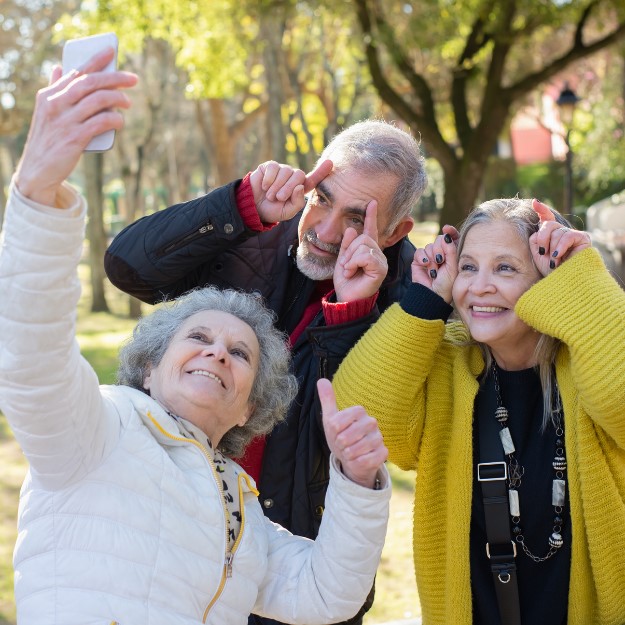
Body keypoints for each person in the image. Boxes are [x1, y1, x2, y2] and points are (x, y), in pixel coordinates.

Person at [0, 48, 393, 625]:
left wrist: (359, 483)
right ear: (147, 368)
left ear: (250, 409)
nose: (217, 351)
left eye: (240, 354)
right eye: (198, 336)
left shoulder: (242, 510)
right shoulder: (96, 433)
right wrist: (38, 191)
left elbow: (327, 594)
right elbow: (30, 358)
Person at [105, 116, 427, 623]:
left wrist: (350, 315)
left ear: (395, 231)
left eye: (354, 218)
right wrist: (238, 205)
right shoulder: (256, 229)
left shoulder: (412, 300)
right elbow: (127, 266)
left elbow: (349, 431)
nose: (323, 230)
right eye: (321, 197)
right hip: (175, 533)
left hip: (293, 561)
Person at [332, 197, 625, 625]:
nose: (480, 286)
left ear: (548, 276)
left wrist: (581, 277)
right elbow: (359, 413)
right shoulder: (446, 364)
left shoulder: (590, 362)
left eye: (505, 268)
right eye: (468, 267)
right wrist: (425, 301)